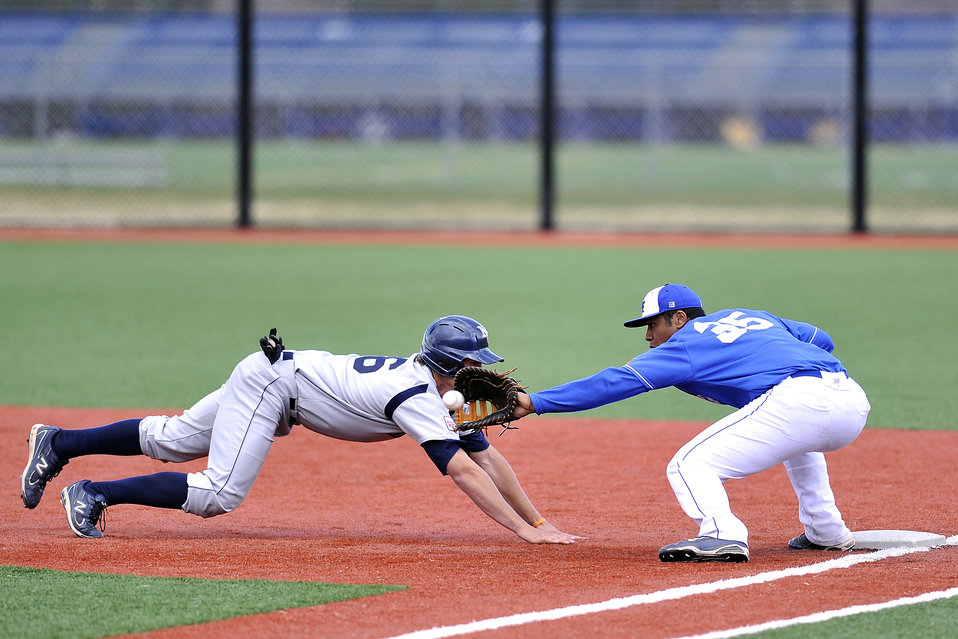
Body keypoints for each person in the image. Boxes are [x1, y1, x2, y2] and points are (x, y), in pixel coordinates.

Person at [21, 315, 576, 545]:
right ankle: (92, 493)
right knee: (218, 493)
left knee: (174, 440)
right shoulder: (416, 399)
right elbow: (462, 472)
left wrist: (540, 520)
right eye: (471, 363)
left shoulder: (432, 390)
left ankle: (60, 443)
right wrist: (521, 533)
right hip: (272, 386)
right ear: (450, 366)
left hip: (277, 376)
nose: (480, 372)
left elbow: (488, 460)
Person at [512, 284, 870, 563]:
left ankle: (722, 533)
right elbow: (820, 339)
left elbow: (616, 382)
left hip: (799, 400)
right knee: (799, 445)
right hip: (850, 400)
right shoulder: (750, 315)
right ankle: (826, 531)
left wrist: (537, 401)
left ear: (679, 319)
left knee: (689, 464)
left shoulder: (684, 346)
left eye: (652, 325)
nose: (648, 336)